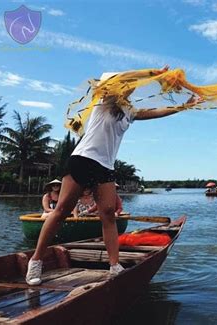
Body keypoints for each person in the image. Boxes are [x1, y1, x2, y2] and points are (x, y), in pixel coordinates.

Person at [25, 65, 203, 286]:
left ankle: (114, 264)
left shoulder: (128, 111)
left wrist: (184, 107)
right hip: (82, 159)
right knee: (61, 211)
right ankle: (36, 260)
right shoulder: (103, 103)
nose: (129, 88)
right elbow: (126, 80)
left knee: (108, 214)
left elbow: (157, 112)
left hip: (105, 166)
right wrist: (155, 73)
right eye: (124, 84)